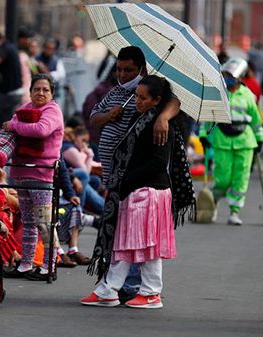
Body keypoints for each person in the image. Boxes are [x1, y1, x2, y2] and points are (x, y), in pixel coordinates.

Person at [82, 75, 195, 309]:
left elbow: (156, 163)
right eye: (137, 96)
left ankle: (150, 292)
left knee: (146, 245)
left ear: (157, 100)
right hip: (139, 190)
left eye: (143, 98)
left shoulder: (161, 126)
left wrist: (126, 182)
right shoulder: (142, 117)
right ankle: (110, 289)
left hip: (149, 190)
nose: (137, 101)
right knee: (129, 243)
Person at [2, 74, 64, 281]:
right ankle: (26, 264)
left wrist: (15, 126)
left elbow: (41, 130)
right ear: (30, 91)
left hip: (42, 176)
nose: (41, 93)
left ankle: (49, 266)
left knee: (44, 223)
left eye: (46, 90)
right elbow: (10, 125)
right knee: (28, 222)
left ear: (52, 94)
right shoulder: (25, 108)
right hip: (21, 174)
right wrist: (14, 125)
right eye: (37, 89)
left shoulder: (52, 111)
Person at [90, 46, 181, 184]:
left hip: (132, 175)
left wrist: (163, 118)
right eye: (118, 69)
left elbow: (174, 101)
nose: (121, 75)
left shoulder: (146, 91)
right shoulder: (114, 92)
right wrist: (108, 115)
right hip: (110, 174)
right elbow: (93, 118)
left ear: (141, 70)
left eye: (128, 70)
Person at [199, 58, 263, 225]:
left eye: (231, 76)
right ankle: (213, 199)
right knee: (223, 179)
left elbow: (256, 120)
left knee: (240, 179)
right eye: (226, 75)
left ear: (240, 77)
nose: (228, 78)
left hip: (245, 141)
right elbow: (208, 117)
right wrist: (203, 136)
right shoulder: (217, 93)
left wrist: (260, 139)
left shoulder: (249, 95)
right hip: (222, 140)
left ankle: (234, 212)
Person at [36, 38, 66, 104]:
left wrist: (46, 72)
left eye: (52, 49)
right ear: (44, 48)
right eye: (48, 48)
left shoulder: (57, 60)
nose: (49, 51)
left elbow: (61, 75)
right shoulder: (37, 59)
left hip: (53, 94)